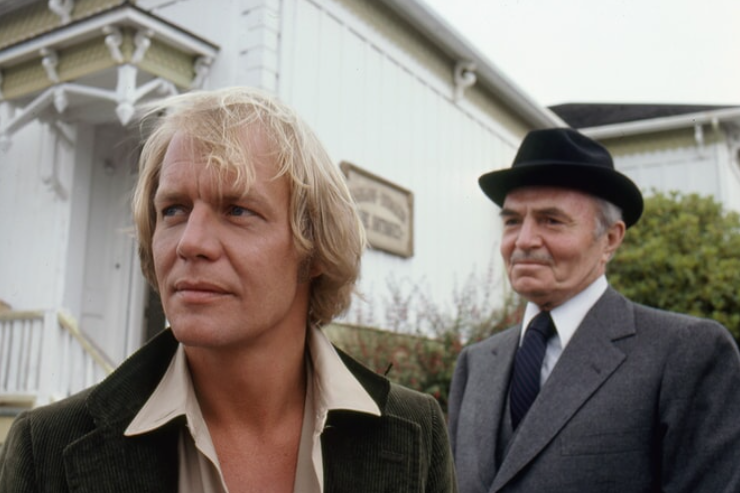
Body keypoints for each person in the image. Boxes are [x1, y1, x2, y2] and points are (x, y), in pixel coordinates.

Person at [0, 87, 457, 493]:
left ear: (314, 250)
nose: (191, 242)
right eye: (174, 209)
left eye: (237, 210)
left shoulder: (414, 430)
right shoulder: (46, 450)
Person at [447, 127, 740, 493]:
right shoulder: (476, 364)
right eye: (512, 221)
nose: (523, 241)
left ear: (610, 239)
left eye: (551, 220)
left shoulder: (684, 352)